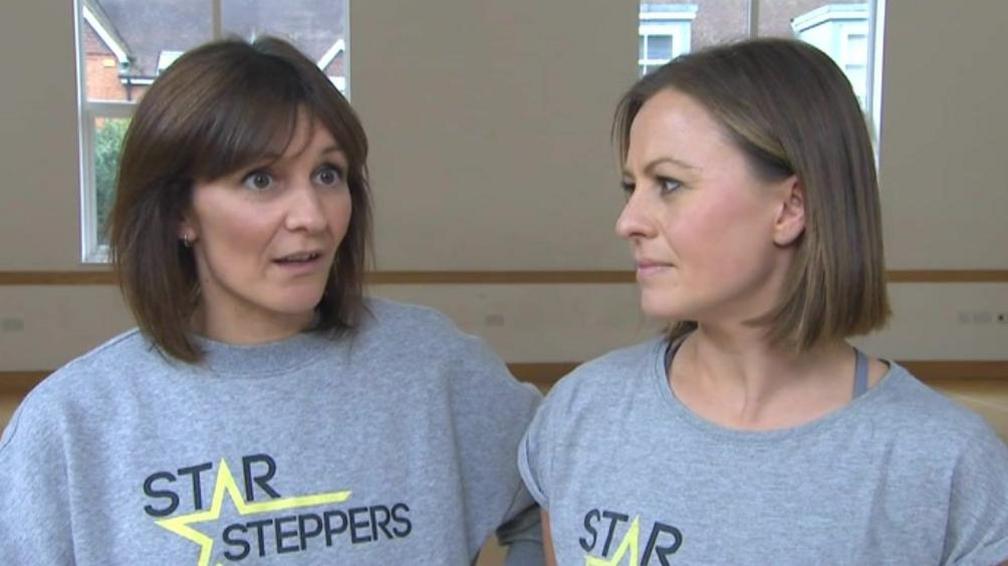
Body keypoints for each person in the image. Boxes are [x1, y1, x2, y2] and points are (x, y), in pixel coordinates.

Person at [0, 37, 542, 565]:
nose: (311, 215)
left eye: (328, 174)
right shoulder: (73, 423)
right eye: (261, 179)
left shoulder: (437, 367)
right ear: (179, 214)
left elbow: (553, 499)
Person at [519, 38, 1008, 565]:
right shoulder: (582, 413)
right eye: (630, 186)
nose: (628, 221)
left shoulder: (944, 463)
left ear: (790, 207)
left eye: (669, 183)